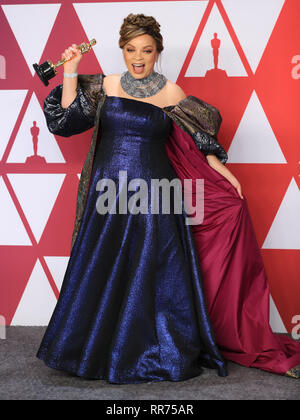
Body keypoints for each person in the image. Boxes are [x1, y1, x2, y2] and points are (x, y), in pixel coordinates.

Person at [36, 13, 300, 383]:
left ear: (158, 51)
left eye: (146, 50)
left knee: (155, 274)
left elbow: (198, 138)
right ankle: (98, 349)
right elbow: (65, 122)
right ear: (122, 50)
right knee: (103, 270)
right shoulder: (108, 84)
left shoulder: (172, 92)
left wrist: (223, 171)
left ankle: (152, 351)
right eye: (130, 49)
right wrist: (70, 71)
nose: (138, 57)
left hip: (157, 195)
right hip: (108, 195)